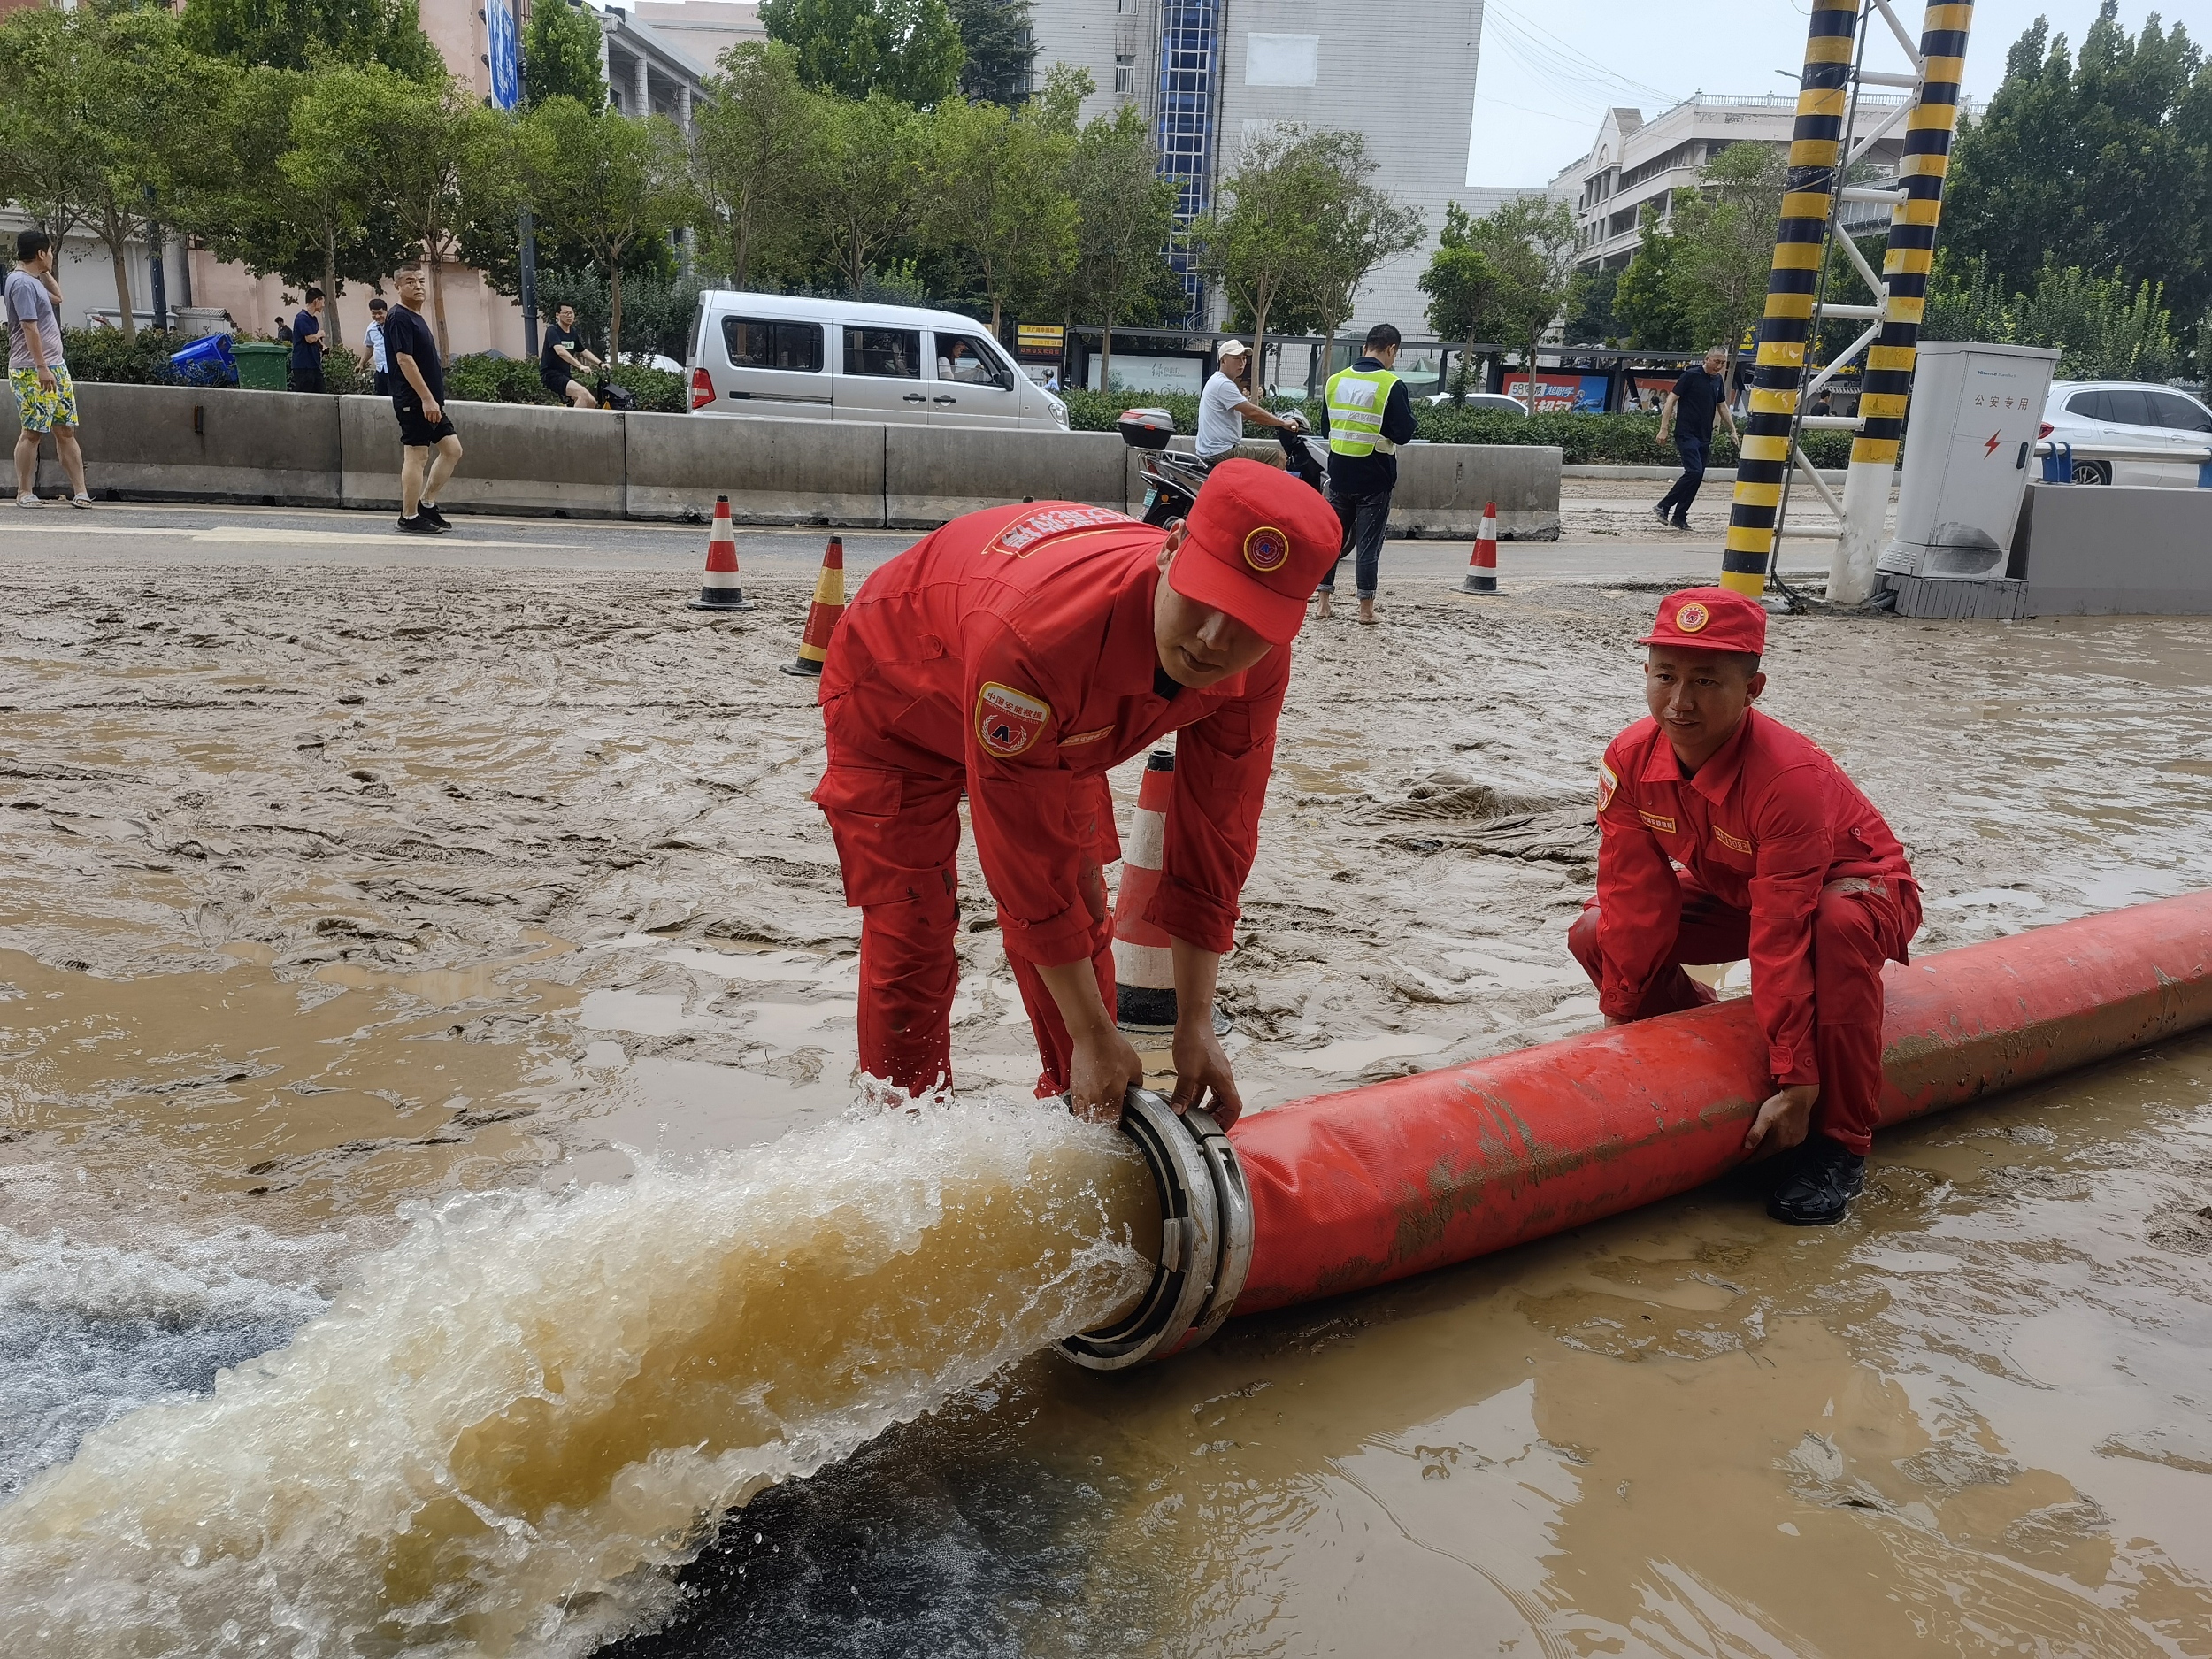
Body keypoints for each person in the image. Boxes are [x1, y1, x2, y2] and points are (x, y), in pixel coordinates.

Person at [812, 461, 1342, 1125]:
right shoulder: (1039, 640)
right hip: (895, 691)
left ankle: (1083, 1119)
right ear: (1172, 547)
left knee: (1083, 910)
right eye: (1204, 599)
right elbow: (1024, 862)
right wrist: (1094, 1033)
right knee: (911, 935)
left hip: (1059, 722)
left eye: (1248, 622)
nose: (1213, 641)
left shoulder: (1259, 658)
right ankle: (900, 1137)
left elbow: (1219, 825)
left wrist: (1195, 1020)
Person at [1567, 587, 1921, 1226]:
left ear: (1753, 688)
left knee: (1836, 926)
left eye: (1706, 681)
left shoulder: (1788, 780)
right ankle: (1705, 1038)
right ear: (1644, 674)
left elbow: (1782, 933)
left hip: (1855, 888)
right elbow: (1632, 894)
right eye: (1666, 676)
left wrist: (1798, 1083)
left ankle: (1840, 1144)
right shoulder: (1628, 758)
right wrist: (1624, 1012)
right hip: (1742, 889)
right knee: (1597, 931)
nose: (1680, 702)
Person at [1312, 322, 1417, 626]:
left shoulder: (1334, 381)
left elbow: (1325, 428)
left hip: (1339, 473)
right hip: (1375, 476)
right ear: (1392, 349)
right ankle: (1366, 610)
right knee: (1369, 545)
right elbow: (1403, 433)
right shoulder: (1391, 384)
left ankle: (1323, 603)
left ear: (1364, 348)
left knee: (1334, 540)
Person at [6, 230, 91, 510]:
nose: (52, 256)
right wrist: (42, 368)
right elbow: (29, 328)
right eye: (50, 252)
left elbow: (58, 297)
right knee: (32, 431)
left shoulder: (32, 281)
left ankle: (80, 491)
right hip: (33, 370)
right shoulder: (21, 284)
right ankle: (24, 491)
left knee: (65, 430)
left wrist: (44, 271)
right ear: (41, 253)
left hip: (56, 367)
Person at [381, 265, 462, 535]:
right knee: (417, 455)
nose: (417, 286)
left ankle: (426, 503)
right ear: (397, 287)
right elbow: (404, 359)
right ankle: (408, 516)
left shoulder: (415, 316)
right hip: (415, 401)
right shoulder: (398, 317)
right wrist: (427, 399)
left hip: (431, 403)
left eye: (420, 281)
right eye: (409, 281)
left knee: (452, 449)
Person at [1653, 347, 1737, 530]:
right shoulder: (1690, 376)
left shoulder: (1717, 381)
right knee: (1694, 472)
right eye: (1716, 362)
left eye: (1723, 363)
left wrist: (1732, 430)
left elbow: (1722, 406)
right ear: (1707, 359)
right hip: (1686, 433)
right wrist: (1664, 428)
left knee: (1697, 477)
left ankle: (1680, 516)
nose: (1719, 366)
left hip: (1704, 435)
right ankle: (1663, 505)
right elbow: (1671, 400)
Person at [1195, 339, 1299, 466]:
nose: (1242, 363)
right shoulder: (1223, 384)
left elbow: (1243, 414)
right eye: (1237, 359)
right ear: (1223, 360)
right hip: (1224, 452)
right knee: (1278, 457)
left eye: (1244, 358)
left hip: (1213, 451)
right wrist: (1283, 423)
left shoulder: (1216, 380)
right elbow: (1252, 411)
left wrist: (1266, 418)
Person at [540, 303, 603, 410]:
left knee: (591, 402)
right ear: (557, 315)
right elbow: (560, 351)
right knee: (582, 395)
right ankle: (571, 426)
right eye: (565, 313)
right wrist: (580, 366)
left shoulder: (573, 332)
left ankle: (581, 425)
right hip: (551, 374)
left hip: (565, 375)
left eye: (571, 313)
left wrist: (600, 363)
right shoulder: (552, 331)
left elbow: (583, 351)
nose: (569, 316)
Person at [289, 288, 326, 394]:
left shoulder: (313, 319)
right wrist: (320, 334)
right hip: (303, 365)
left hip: (314, 365)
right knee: (305, 396)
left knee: (321, 395)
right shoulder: (302, 318)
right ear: (316, 301)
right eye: (322, 301)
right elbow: (310, 339)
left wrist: (323, 346)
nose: (323, 305)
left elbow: (316, 339)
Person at [363, 298, 390, 396]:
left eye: (380, 313)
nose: (377, 316)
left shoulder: (394, 325)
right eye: (374, 313)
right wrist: (361, 364)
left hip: (394, 370)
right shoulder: (371, 328)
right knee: (380, 397)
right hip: (380, 370)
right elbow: (369, 347)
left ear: (386, 311)